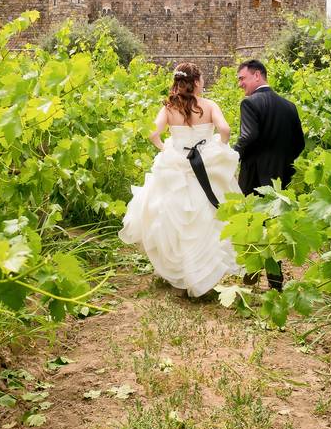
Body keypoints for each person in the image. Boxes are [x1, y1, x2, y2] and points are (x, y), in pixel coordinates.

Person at [119, 62, 243, 297]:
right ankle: (203, 274)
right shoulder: (209, 105)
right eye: (202, 79)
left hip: (176, 163)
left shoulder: (168, 108)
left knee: (173, 218)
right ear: (196, 82)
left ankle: (182, 275)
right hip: (205, 163)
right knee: (207, 217)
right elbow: (225, 130)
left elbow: (152, 133)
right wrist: (219, 146)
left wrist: (165, 148)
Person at [234, 59, 305, 291]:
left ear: (257, 75)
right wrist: (283, 164)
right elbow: (299, 143)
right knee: (274, 228)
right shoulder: (289, 106)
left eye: (242, 78)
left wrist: (231, 155)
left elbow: (248, 136)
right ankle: (272, 282)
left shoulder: (250, 104)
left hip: (254, 176)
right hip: (279, 178)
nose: (240, 84)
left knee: (253, 224)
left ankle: (255, 274)